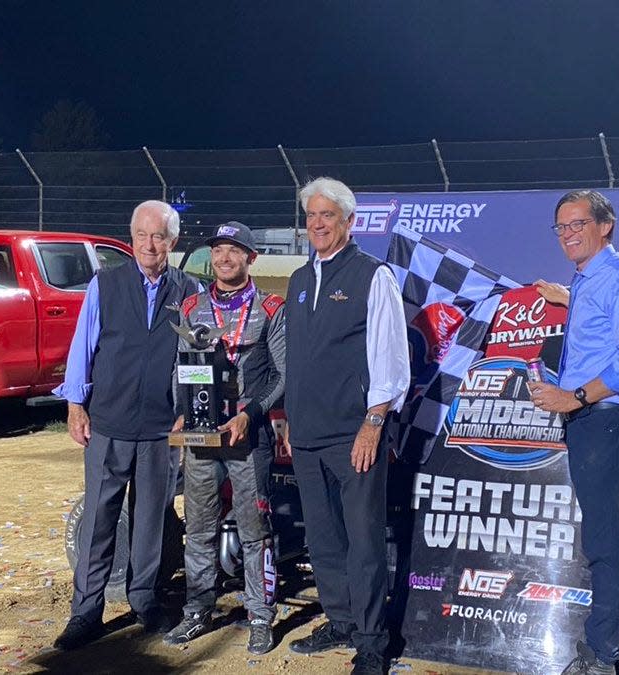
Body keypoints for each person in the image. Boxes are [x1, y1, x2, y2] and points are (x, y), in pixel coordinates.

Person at [530, 190, 619, 675]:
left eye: (577, 223)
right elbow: (605, 323)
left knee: (606, 545)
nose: (568, 234)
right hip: (598, 422)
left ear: (605, 226)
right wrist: (567, 298)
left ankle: (599, 658)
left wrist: (573, 397)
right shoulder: (590, 280)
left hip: (607, 419)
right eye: (561, 227)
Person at [52, 200, 197, 650]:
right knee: (99, 519)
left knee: (152, 518)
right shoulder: (106, 284)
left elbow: (195, 357)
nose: (149, 245)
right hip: (109, 423)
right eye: (141, 235)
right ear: (131, 238)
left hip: (161, 429)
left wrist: (188, 407)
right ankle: (86, 612)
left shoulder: (189, 291)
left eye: (159, 237)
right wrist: (76, 404)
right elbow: (84, 344)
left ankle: (144, 599)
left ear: (173, 242)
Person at [283, 177, 410, 675]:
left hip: (354, 435)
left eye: (327, 216)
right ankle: (340, 620)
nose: (317, 224)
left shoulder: (372, 276)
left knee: (364, 543)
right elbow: (297, 360)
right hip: (307, 436)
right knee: (324, 540)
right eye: (311, 216)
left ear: (349, 222)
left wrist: (373, 422)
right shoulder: (296, 280)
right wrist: (291, 419)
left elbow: (391, 359)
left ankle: (373, 643)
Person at [163, 222, 286, 655]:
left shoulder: (271, 307)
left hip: (247, 436)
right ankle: (197, 610)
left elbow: (282, 376)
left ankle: (259, 616)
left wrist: (251, 415)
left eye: (235, 250)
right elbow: (182, 366)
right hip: (201, 436)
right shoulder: (192, 307)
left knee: (256, 532)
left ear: (251, 258)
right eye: (219, 250)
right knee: (198, 529)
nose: (225, 258)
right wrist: (182, 412)